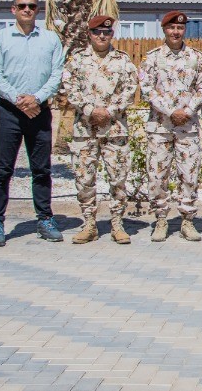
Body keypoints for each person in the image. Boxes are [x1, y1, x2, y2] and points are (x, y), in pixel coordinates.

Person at [0, 0, 65, 246]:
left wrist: (37, 99)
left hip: (39, 112)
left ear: (37, 10)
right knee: (2, 170)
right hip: (9, 112)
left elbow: (56, 75)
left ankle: (44, 218)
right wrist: (20, 101)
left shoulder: (51, 39)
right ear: (13, 9)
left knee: (41, 169)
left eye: (32, 6)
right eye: (22, 6)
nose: (27, 10)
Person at [62, 16, 139, 245]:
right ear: (90, 34)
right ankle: (89, 223)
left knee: (118, 178)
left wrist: (109, 110)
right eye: (97, 32)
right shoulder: (76, 60)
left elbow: (130, 89)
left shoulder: (123, 61)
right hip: (85, 130)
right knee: (84, 179)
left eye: (106, 32)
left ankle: (117, 223)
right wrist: (89, 110)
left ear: (112, 34)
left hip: (114, 129)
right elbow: (70, 87)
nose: (102, 36)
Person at [139, 11, 202, 242]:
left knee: (189, 174)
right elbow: (147, 89)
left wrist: (187, 111)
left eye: (180, 28)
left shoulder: (196, 58)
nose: (176, 32)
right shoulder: (152, 58)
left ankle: (187, 221)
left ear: (184, 30)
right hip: (160, 126)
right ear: (164, 30)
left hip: (187, 127)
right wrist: (171, 111)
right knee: (158, 175)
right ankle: (161, 220)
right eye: (171, 28)